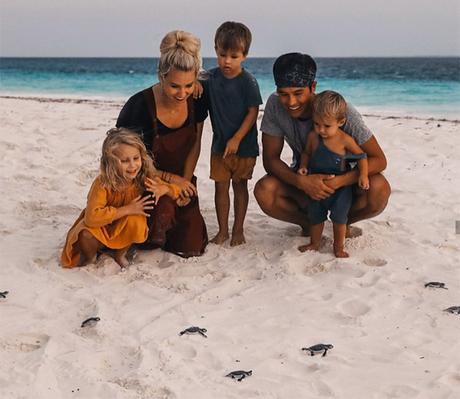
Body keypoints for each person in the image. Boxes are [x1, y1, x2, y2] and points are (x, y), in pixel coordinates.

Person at [254, 53, 390, 243]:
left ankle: (342, 224)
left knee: (379, 188)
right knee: (264, 190)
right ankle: (309, 223)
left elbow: (379, 159)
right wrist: (302, 182)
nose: (291, 102)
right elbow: (270, 160)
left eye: (298, 93)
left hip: (343, 184)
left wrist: (340, 181)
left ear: (313, 87)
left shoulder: (340, 111)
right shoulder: (275, 105)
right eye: (284, 94)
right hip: (305, 177)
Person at [116, 30, 208, 258]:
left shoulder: (199, 98)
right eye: (175, 86)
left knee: (191, 247)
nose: (182, 93)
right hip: (144, 180)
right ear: (161, 76)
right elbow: (126, 159)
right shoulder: (138, 107)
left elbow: (195, 143)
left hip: (183, 179)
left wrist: (184, 182)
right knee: (155, 230)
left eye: (189, 85)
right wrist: (169, 181)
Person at [61, 128, 181, 268]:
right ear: (111, 162)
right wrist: (129, 209)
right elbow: (91, 218)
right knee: (85, 233)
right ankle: (90, 257)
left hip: (122, 227)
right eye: (124, 161)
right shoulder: (103, 183)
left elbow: (177, 193)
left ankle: (120, 254)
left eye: (136, 158)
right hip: (101, 227)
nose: (132, 165)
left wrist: (165, 188)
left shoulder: (143, 178)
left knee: (136, 221)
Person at [201, 21, 262, 246]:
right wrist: (196, 86)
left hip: (244, 146)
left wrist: (237, 138)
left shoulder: (248, 81)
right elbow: (193, 84)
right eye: (222, 54)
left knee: (240, 186)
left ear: (244, 55)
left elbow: (253, 111)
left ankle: (238, 230)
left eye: (234, 56)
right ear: (216, 49)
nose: (227, 61)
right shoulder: (209, 78)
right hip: (219, 146)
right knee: (220, 187)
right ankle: (223, 231)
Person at [298, 90, 369, 257]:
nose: (321, 129)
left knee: (339, 220)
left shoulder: (345, 140)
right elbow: (306, 153)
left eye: (327, 126)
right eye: (316, 124)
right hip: (318, 187)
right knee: (316, 217)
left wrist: (363, 175)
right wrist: (303, 166)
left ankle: (338, 248)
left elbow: (361, 156)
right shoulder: (313, 137)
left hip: (340, 190)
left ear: (341, 121)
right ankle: (315, 243)